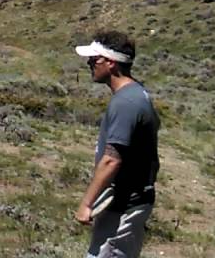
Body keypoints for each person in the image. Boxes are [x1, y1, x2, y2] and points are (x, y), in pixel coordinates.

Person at [74, 29, 160, 258]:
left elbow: (112, 159)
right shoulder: (136, 94)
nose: (90, 64)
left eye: (94, 59)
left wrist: (86, 203)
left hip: (124, 205)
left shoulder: (126, 103)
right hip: (126, 201)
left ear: (111, 63)